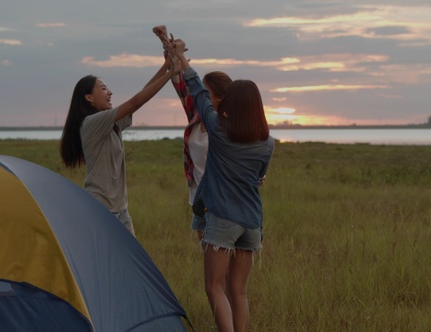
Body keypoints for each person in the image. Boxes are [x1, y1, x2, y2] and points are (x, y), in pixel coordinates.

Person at [172, 38, 275, 332]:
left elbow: (198, 90)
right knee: (238, 291)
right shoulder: (268, 143)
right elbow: (259, 177)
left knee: (214, 288)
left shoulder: (217, 129)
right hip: (252, 224)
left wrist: (180, 56)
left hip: (223, 220)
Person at [60, 55, 176, 237]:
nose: (110, 92)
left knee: (128, 263)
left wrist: (166, 66)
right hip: (101, 208)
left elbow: (136, 102)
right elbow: (135, 102)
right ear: (89, 97)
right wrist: (170, 75)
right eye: (104, 89)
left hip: (121, 210)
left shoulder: (111, 124)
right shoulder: (91, 123)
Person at [153, 25, 233, 240]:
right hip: (199, 202)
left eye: (204, 91)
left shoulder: (230, 127)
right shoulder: (197, 117)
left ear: (218, 97)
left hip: (222, 203)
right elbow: (180, 81)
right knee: (209, 263)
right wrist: (167, 45)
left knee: (221, 264)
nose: (198, 94)